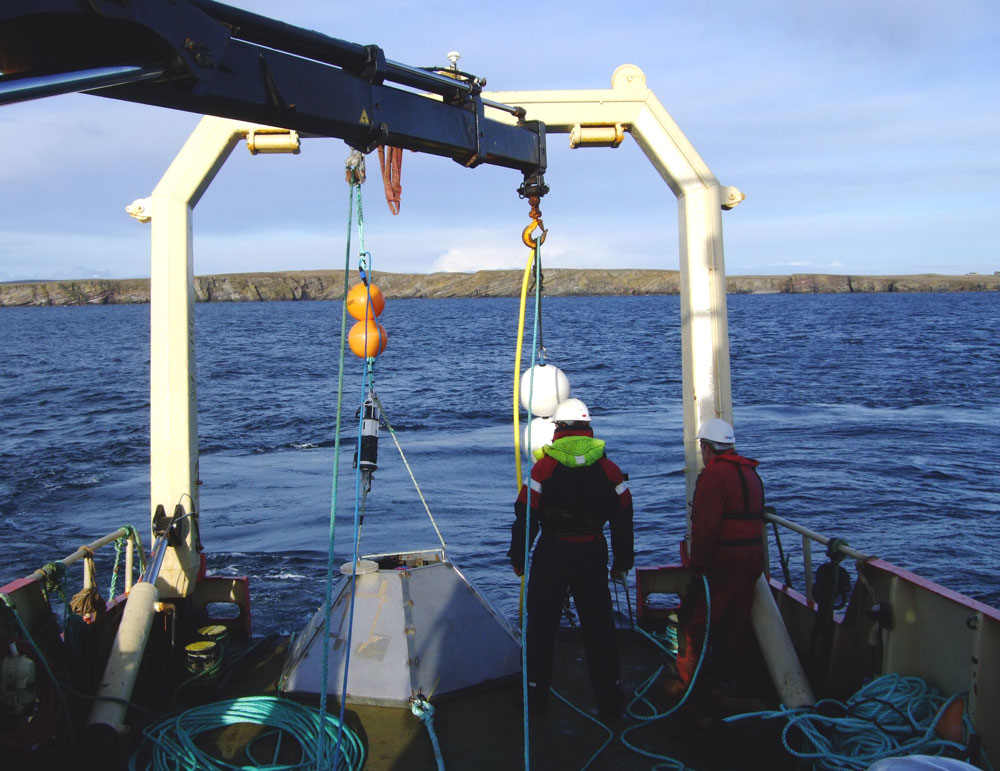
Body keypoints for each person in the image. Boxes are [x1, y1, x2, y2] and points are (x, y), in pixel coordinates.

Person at [508, 397, 634, 718]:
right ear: (588, 427)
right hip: (591, 554)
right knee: (600, 631)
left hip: (552, 554)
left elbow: (526, 515)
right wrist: (622, 562)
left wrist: (519, 557)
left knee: (540, 632)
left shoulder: (543, 467)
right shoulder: (609, 468)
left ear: (559, 428)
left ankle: (534, 706)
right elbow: (623, 516)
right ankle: (609, 703)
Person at [673, 417, 765, 697]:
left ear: (707, 448)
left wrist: (697, 565)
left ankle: (690, 687)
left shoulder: (714, 476)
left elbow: (705, 526)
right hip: (753, 557)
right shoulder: (750, 472)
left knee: (694, 622)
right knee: (737, 620)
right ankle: (740, 684)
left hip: (726, 560)